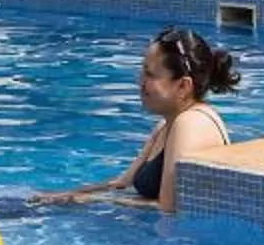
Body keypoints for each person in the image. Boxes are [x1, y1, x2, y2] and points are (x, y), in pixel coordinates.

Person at [37, 26, 242, 214]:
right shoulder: (165, 125)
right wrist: (64, 196)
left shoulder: (191, 124)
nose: (140, 82)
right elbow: (120, 184)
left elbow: (168, 209)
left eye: (150, 75)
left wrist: (92, 201)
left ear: (183, 87)